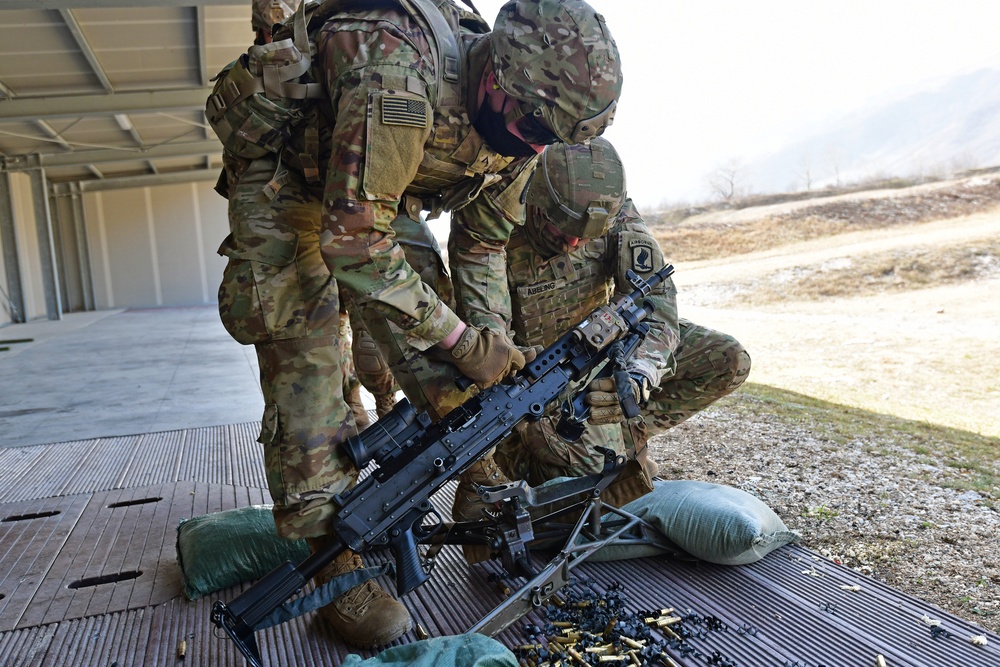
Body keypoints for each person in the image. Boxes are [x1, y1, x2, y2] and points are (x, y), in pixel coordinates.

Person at [209, 0, 622, 649]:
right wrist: (459, 340)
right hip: (290, 177)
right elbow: (353, 241)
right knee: (304, 342)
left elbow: (482, 247)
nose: (536, 146)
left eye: (550, 137)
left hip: (376, 188)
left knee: (439, 322)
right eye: (533, 127)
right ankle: (334, 563)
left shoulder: (529, 126)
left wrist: (486, 350)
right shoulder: (396, 70)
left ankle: (476, 478)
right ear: (495, 77)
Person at [493, 137, 751, 505]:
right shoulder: (497, 225)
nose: (573, 243)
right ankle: (584, 453)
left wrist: (639, 373)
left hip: (610, 347)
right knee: (589, 483)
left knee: (729, 359)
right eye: (561, 230)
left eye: (586, 235)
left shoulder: (609, 207)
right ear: (537, 200)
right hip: (543, 376)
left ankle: (624, 436)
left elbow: (655, 299)